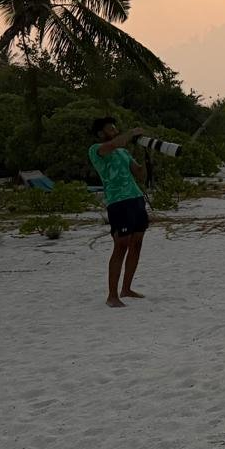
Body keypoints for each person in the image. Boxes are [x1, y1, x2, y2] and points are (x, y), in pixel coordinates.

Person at [89, 117, 150, 308]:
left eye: (115, 127)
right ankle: (112, 295)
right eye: (110, 128)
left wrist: (147, 158)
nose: (114, 130)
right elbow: (113, 144)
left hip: (136, 198)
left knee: (137, 243)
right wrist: (131, 133)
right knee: (121, 245)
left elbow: (139, 173)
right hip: (118, 202)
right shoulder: (96, 149)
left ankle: (127, 288)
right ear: (101, 133)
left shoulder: (123, 152)